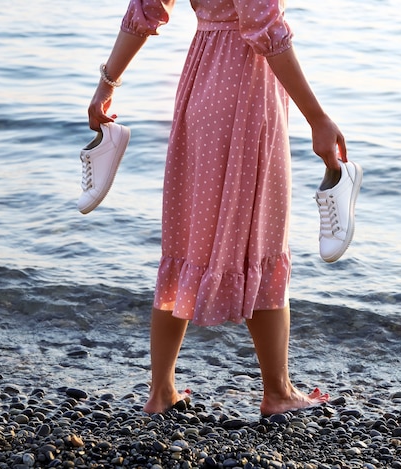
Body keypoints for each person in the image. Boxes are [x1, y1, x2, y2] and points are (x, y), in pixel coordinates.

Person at [87, 0, 347, 415]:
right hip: (245, 89)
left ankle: (161, 391)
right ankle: (277, 392)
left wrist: (107, 84)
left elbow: (147, 8)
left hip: (200, 83)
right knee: (260, 234)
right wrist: (317, 118)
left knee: (186, 238)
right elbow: (266, 29)